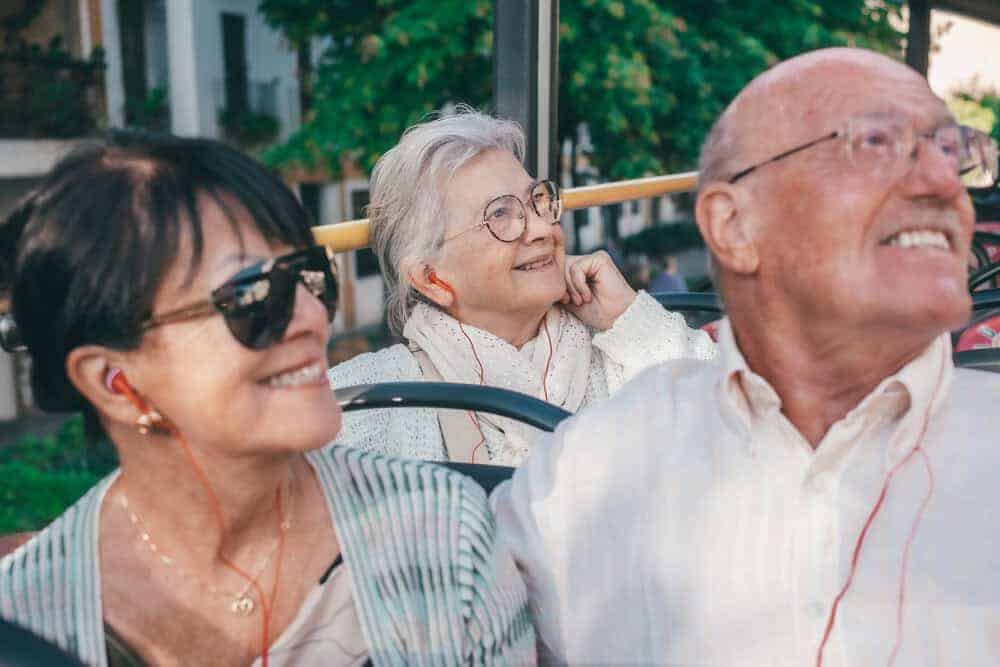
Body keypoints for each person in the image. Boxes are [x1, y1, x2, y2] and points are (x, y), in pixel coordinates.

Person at [493, 47, 1000, 665]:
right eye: (876, 144)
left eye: (951, 151)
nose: (946, 183)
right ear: (734, 226)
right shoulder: (587, 472)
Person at [0, 133, 532, 666]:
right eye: (252, 296)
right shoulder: (26, 622)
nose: (313, 317)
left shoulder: (441, 529)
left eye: (310, 275)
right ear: (116, 382)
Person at [328, 109, 715, 465]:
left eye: (537, 201)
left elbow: (734, 424)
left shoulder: (621, 348)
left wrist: (629, 317)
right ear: (431, 279)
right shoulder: (371, 403)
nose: (545, 228)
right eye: (500, 215)